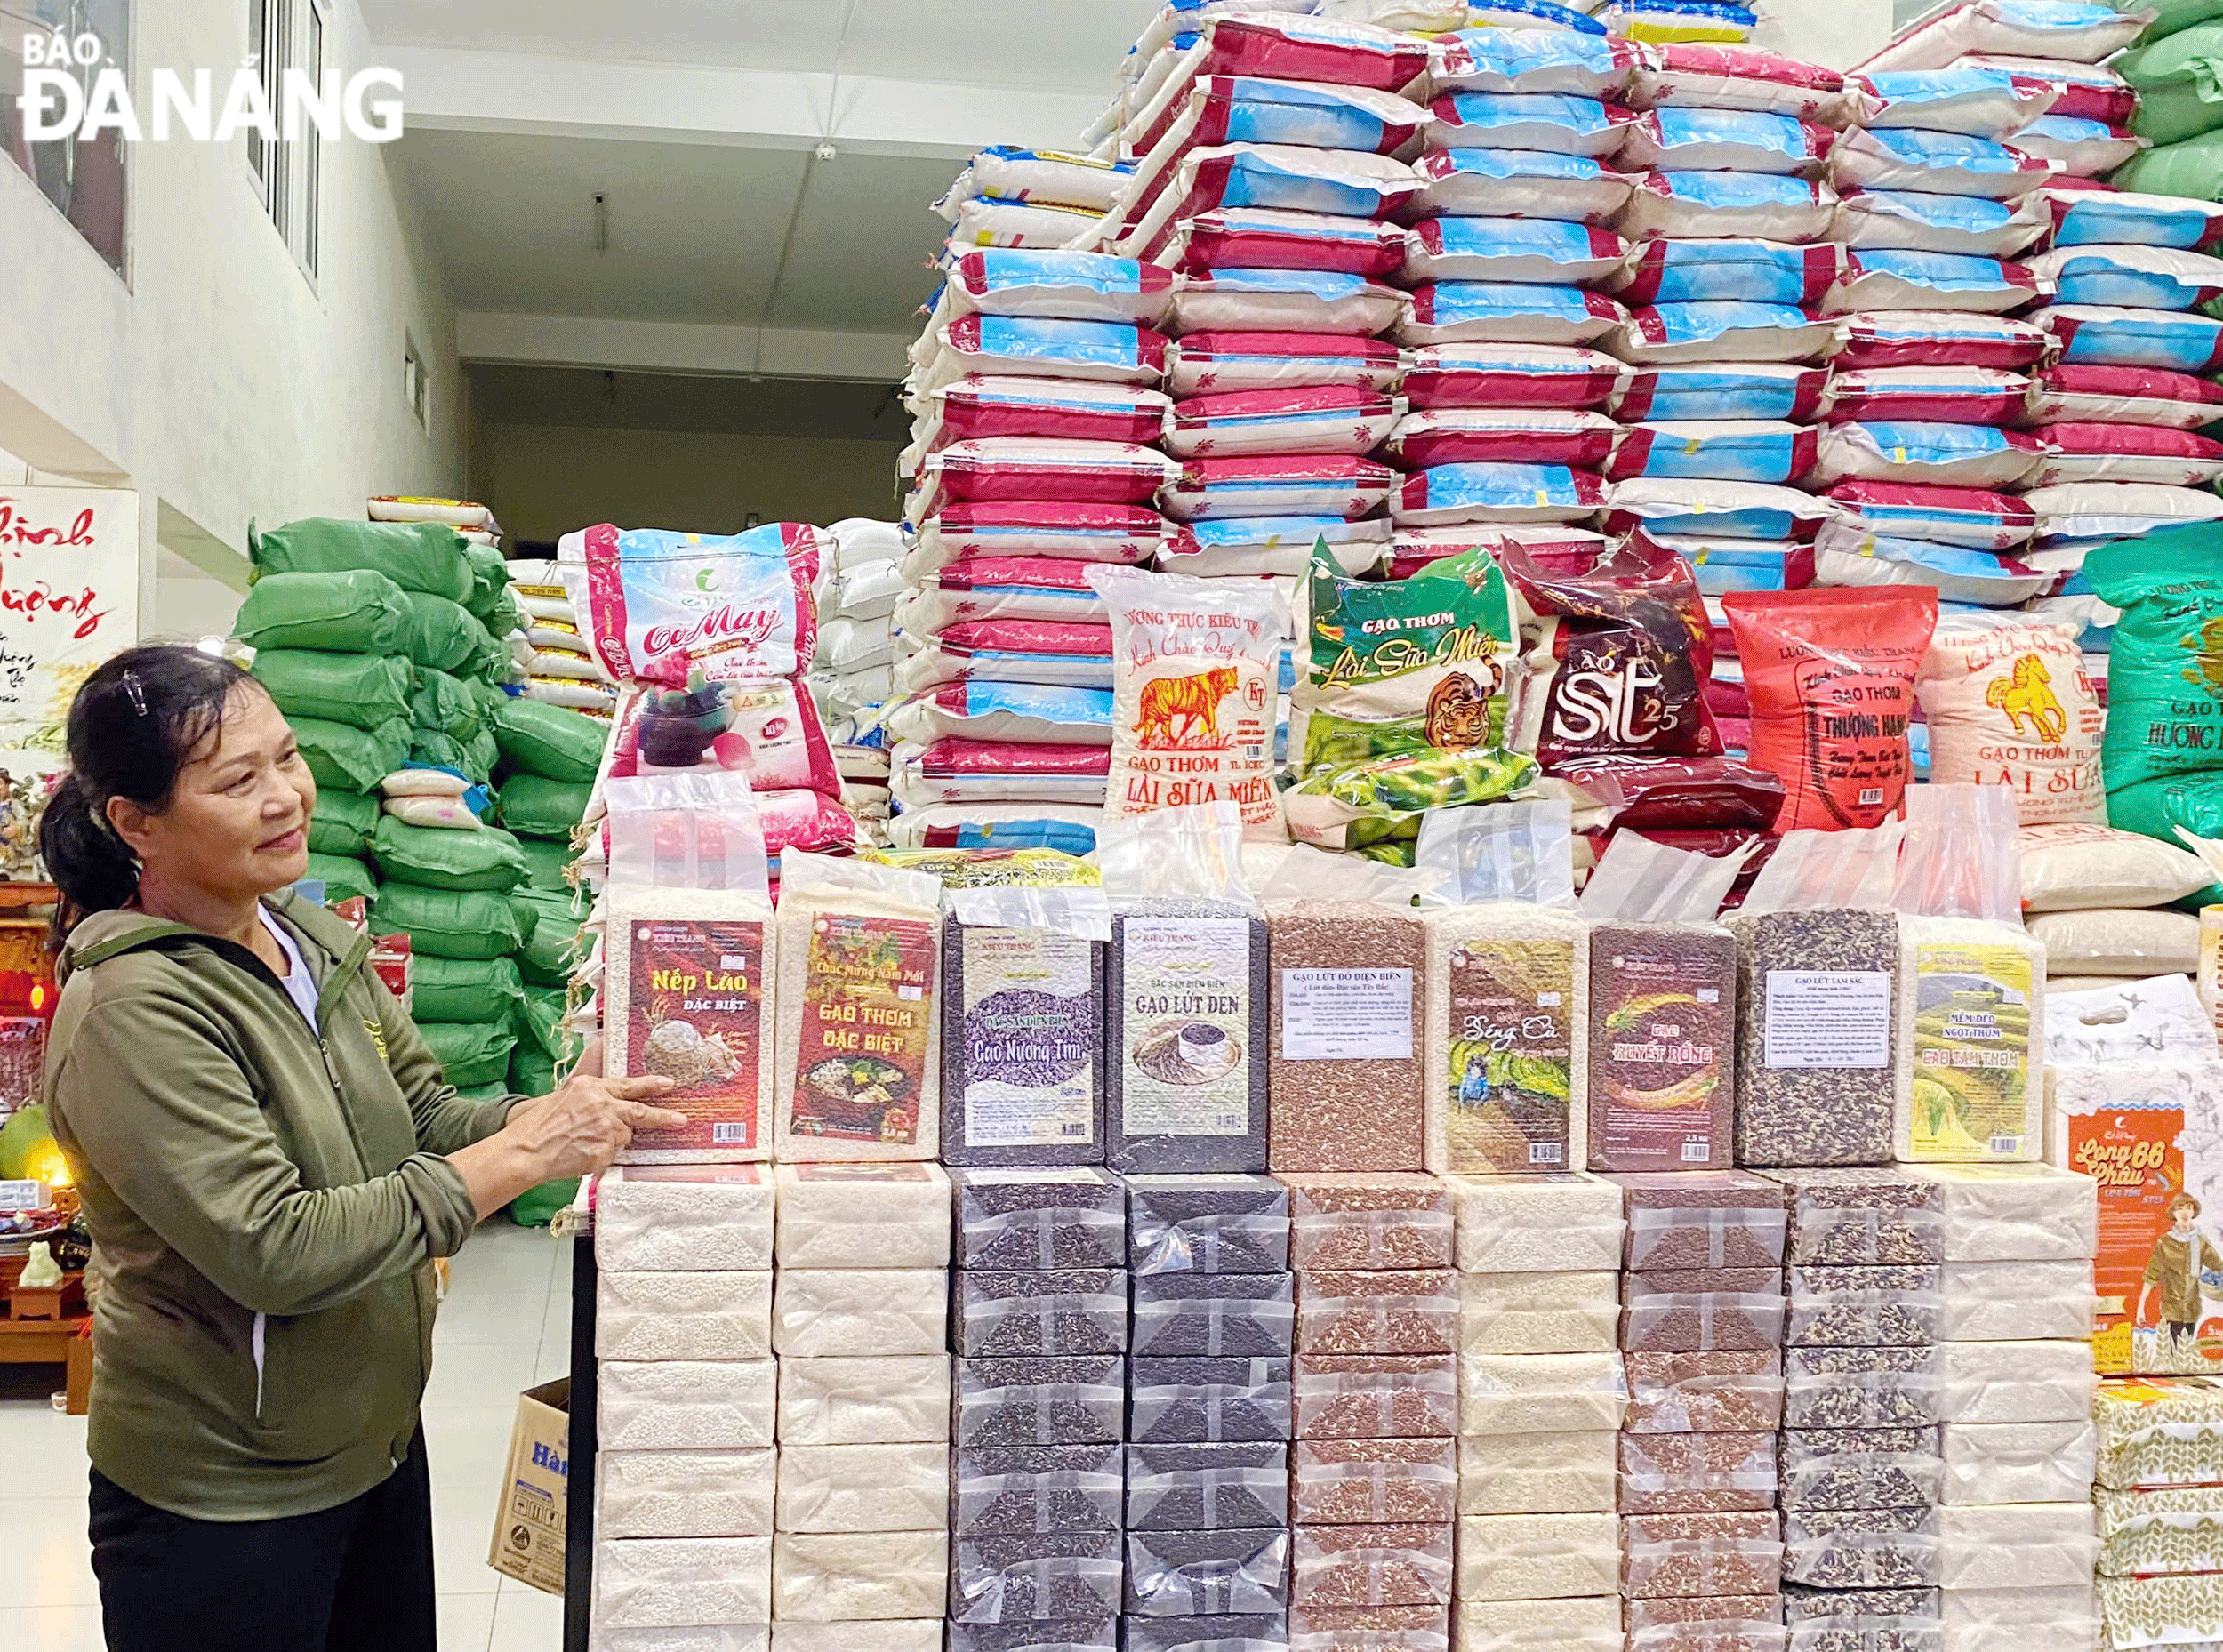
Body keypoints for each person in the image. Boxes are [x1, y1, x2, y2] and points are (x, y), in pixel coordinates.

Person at [36, 644, 684, 1651]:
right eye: (236, 781)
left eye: (286, 758)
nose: (285, 797)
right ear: (136, 823)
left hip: (369, 1445)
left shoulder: (309, 941)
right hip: (224, 1494)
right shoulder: (131, 1011)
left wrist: (548, 1114)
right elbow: (275, 1248)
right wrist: (516, 1161)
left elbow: (422, 1116)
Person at [2139, 1191, 2223, 1343]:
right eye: (2180, 1208)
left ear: (2193, 1212)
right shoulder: (2164, 1243)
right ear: (2173, 1213)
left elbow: (2218, 1265)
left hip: (2193, 1310)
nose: (2185, 1212)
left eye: (2188, 1207)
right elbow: (2151, 1275)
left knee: (2189, 1351)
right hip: (2171, 1310)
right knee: (2174, 1351)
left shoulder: (2200, 1241)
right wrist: (2141, 1305)